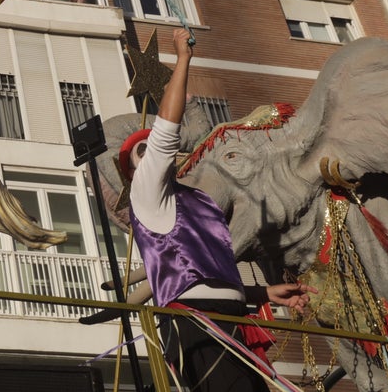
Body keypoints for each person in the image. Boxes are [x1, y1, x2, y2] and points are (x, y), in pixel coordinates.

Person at [120, 28, 313, 392]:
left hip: (231, 321)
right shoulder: (145, 194)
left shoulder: (197, 202)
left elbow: (204, 267)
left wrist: (261, 294)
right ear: (134, 173)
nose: (152, 153)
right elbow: (165, 132)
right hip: (197, 325)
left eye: (151, 147)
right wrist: (183, 59)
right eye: (140, 152)